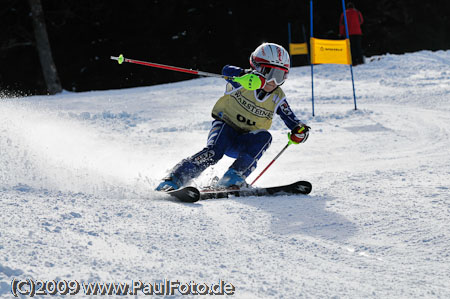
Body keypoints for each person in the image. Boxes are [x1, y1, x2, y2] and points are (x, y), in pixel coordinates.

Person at [155, 43, 310, 191]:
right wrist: (244, 75)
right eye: (269, 73)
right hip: (225, 128)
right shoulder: (242, 82)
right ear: (256, 67)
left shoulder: (277, 97)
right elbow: (226, 70)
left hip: (245, 140)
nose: (273, 81)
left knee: (265, 137)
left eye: (280, 76)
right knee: (214, 152)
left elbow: (291, 118)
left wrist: (299, 130)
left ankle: (233, 178)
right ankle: (175, 178)